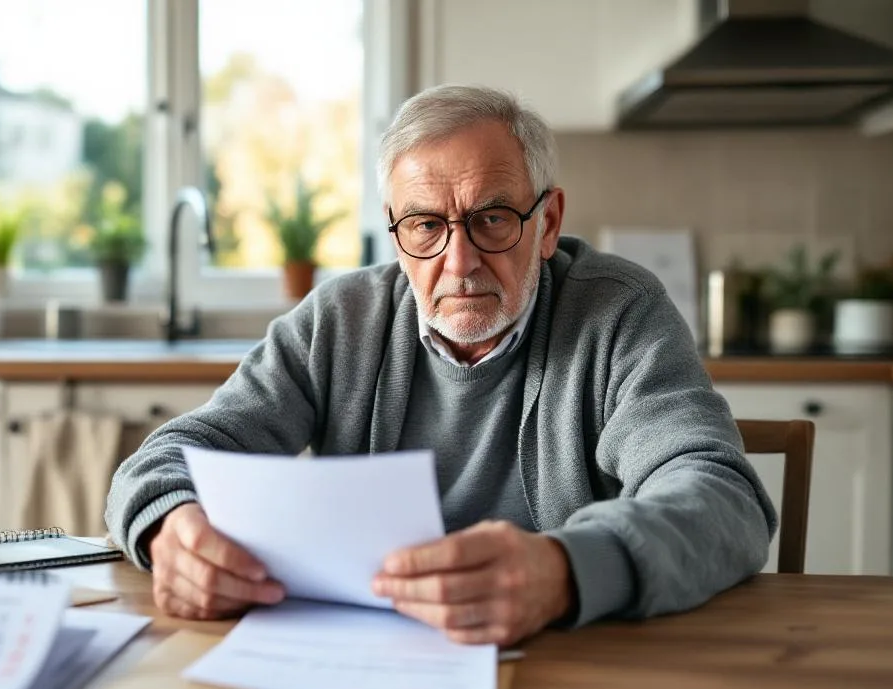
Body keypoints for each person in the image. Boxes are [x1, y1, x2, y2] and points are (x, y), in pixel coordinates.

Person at [104, 84, 776, 646]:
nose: (459, 263)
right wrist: (169, 528)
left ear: (547, 224)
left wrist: (564, 569)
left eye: (493, 219)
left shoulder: (620, 313)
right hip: (361, 664)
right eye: (426, 225)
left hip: (573, 670)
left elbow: (723, 498)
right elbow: (168, 457)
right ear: (397, 234)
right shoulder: (340, 320)